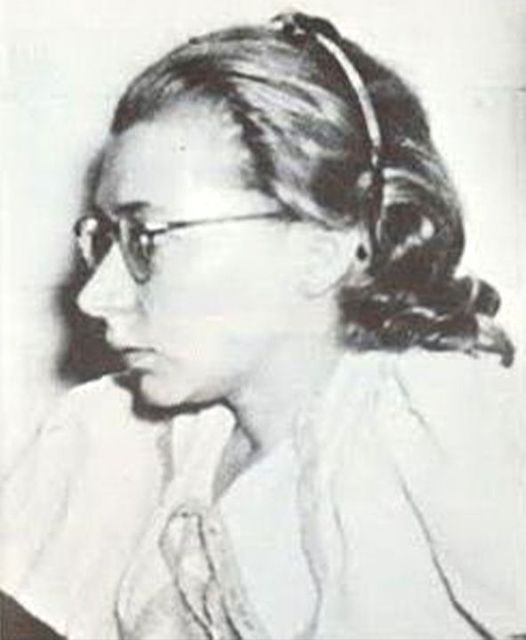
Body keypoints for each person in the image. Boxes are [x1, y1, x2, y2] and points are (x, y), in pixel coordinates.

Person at [1, 11, 524, 640]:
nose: (94, 296)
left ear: (321, 250)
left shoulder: (444, 435)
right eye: (106, 238)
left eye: (146, 237)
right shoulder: (111, 439)